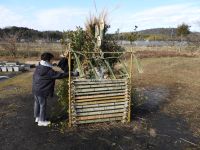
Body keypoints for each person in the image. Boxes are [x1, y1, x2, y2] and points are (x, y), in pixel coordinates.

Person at [32, 52, 78, 126]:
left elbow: (50, 71)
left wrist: (53, 65)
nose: (52, 61)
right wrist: (71, 73)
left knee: (37, 103)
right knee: (42, 104)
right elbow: (58, 75)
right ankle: (41, 121)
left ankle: (37, 117)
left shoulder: (39, 65)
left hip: (36, 88)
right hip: (42, 89)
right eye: (51, 60)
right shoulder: (47, 70)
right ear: (47, 60)